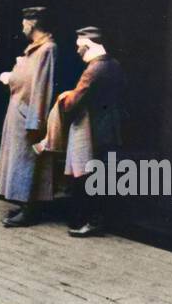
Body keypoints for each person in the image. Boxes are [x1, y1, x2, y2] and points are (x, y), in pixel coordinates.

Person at [50, 26, 126, 238]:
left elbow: (73, 102)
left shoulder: (93, 70)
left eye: (78, 47)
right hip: (111, 127)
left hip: (93, 129)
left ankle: (92, 222)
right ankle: (100, 220)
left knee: (88, 177)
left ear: (87, 45)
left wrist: (64, 97)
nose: (77, 51)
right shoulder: (115, 65)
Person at [0, 6, 58, 228]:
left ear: (32, 24)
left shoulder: (47, 49)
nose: (22, 27)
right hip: (21, 110)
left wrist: (36, 121)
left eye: (24, 23)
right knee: (22, 160)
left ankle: (31, 210)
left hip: (28, 114)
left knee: (29, 161)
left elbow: (40, 87)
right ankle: (24, 204)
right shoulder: (37, 48)